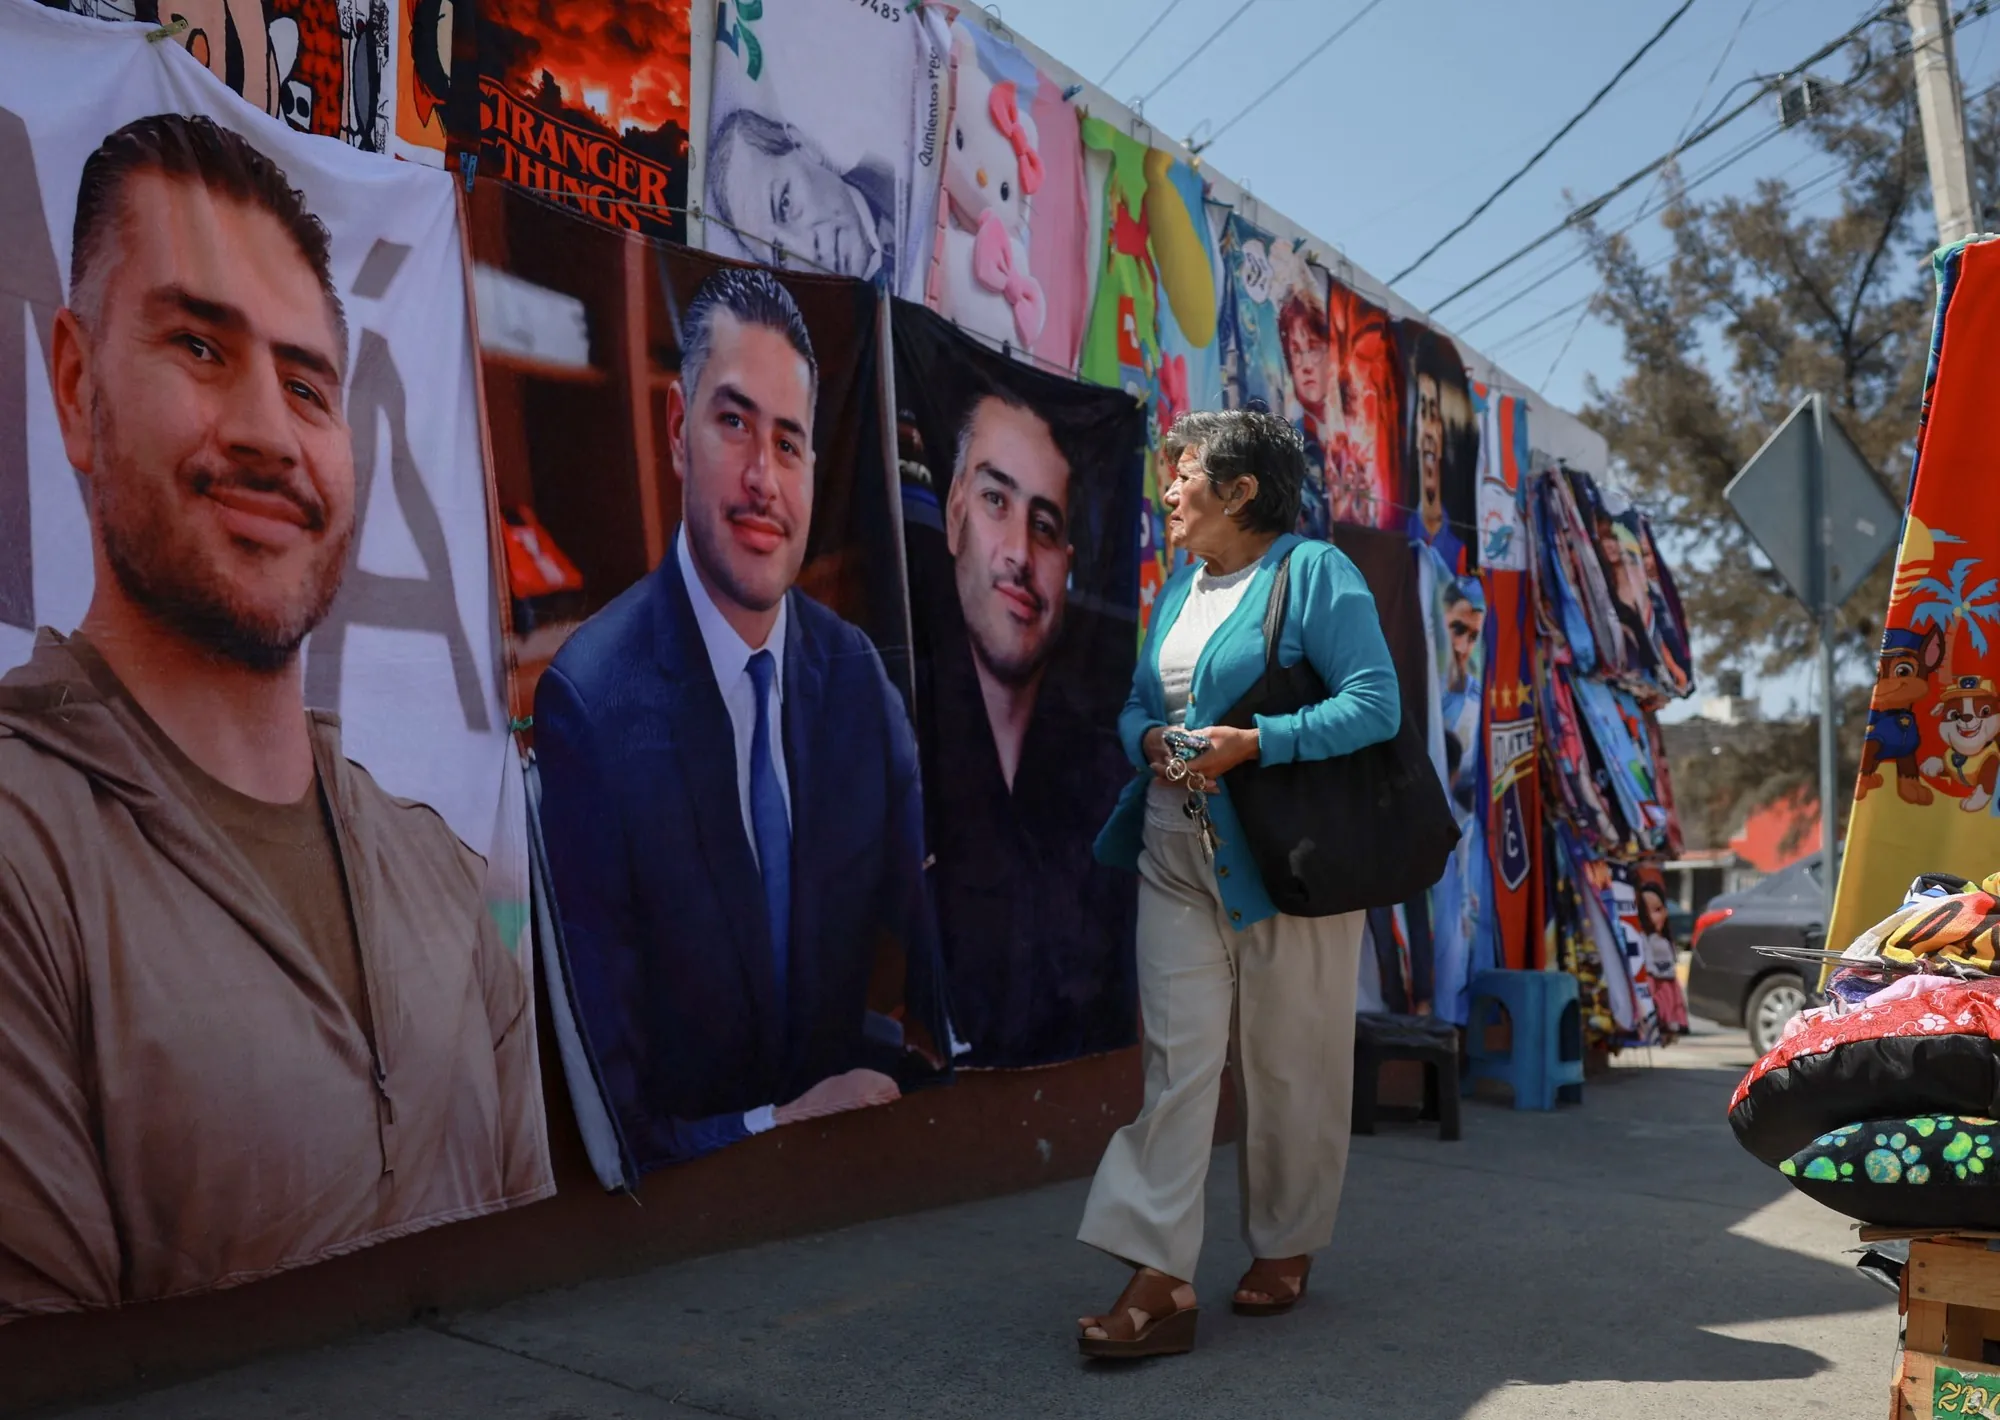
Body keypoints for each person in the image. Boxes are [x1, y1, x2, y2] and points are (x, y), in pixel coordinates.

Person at [0, 114, 549, 1317]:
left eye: (306, 383)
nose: (265, 432)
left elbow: (546, 1334)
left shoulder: (451, 894)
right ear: (78, 384)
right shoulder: (20, 857)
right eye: (198, 345)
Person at [534, 266, 946, 1172]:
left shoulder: (855, 678)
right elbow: (616, 1121)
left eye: (790, 443)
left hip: (849, 1197)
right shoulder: (589, 709)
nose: (764, 478)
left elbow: (938, 944)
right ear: (679, 429)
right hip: (690, 1236)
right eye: (734, 424)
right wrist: (778, 1127)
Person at [1075, 409, 1400, 1358]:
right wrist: (1148, 740)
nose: (1169, 491)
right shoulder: (1180, 591)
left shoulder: (1312, 574)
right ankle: (1159, 1276)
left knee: (1289, 1063)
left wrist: (1255, 744)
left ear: (1241, 489)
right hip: (1173, 854)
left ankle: (1288, 1241)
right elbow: (1143, 699)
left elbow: (1374, 702)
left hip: (1287, 865)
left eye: (1185, 475)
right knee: (1176, 1069)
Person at [922, 389, 1137, 1067]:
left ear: (1069, 565)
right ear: (954, 515)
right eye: (995, 502)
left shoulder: (1107, 780)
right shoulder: (890, 739)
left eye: (1044, 526)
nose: (1018, 552)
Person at [708, 106, 895, 285]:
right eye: (780, 253)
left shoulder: (897, 162)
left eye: (785, 203)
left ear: (803, 147)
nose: (808, 253)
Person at [1404, 327, 1469, 574]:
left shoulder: (1461, 546)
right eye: (1423, 412)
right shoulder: (1399, 533)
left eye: (1435, 414)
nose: (1429, 429)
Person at [1278, 289, 1332, 540]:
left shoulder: (1347, 442)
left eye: (1313, 348)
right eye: (1297, 351)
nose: (1306, 363)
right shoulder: (1289, 438)